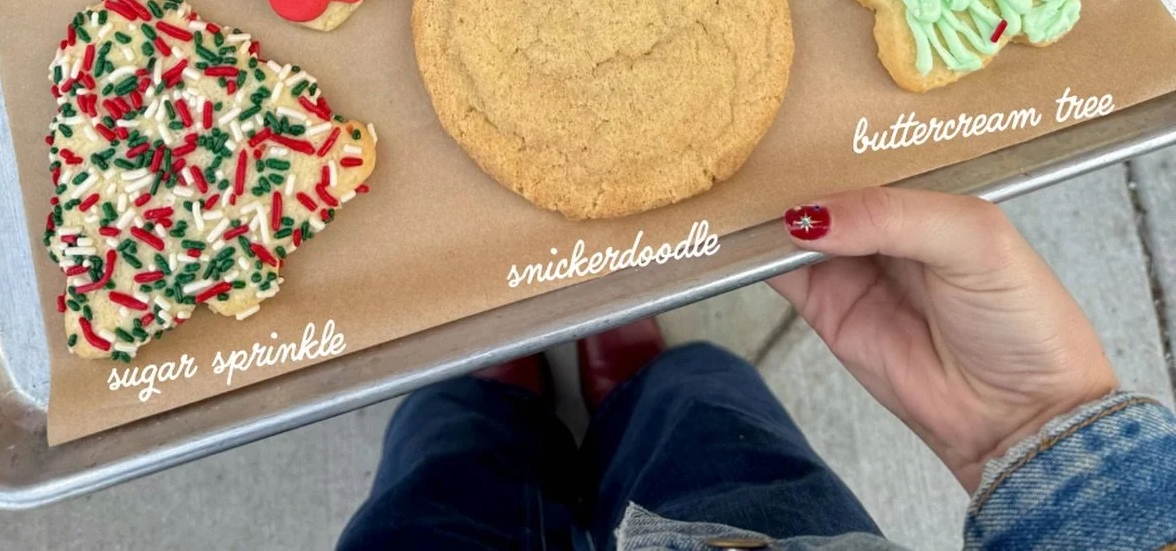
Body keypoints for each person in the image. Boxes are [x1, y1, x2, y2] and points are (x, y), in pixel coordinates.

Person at [337, 187, 1176, 549]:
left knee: (444, 473)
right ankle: (632, 391)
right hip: (772, 533)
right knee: (697, 415)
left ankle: (488, 403)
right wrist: (1034, 429)